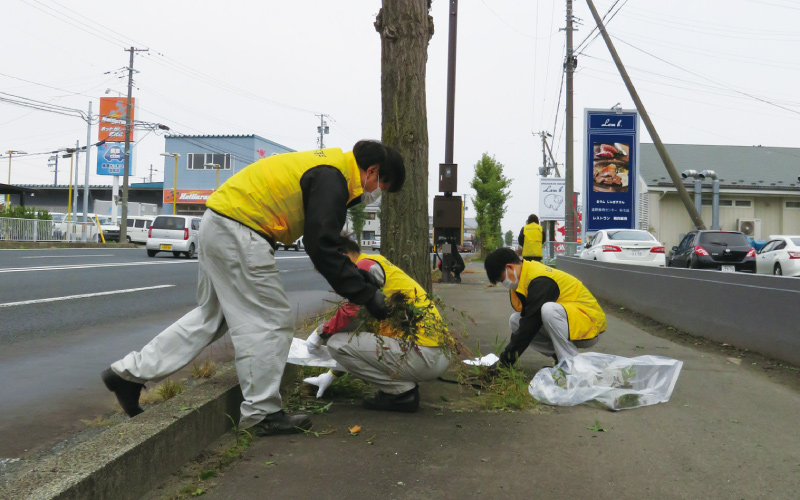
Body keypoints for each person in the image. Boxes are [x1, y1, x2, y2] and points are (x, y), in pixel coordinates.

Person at [101, 140, 405, 436]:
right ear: (373, 171)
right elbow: (321, 245)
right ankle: (262, 413)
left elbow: (326, 240)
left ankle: (128, 375)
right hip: (241, 230)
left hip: (220, 221)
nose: (376, 194)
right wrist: (365, 295)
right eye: (382, 187)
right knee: (270, 321)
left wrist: (360, 280)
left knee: (212, 316)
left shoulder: (331, 168)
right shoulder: (334, 179)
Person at [303, 236, 450, 413]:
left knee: (335, 343)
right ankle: (403, 393)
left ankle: (401, 394)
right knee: (345, 341)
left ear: (341, 257)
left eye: (331, 271)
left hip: (424, 355)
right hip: (436, 352)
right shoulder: (377, 265)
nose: (334, 280)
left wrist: (320, 333)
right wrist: (331, 374)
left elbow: (350, 312)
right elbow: (360, 345)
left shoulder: (363, 267)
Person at [483, 247, 605, 366]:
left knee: (548, 310)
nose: (504, 283)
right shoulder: (526, 278)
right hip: (571, 323)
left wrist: (505, 362)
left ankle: (569, 364)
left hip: (589, 326)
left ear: (509, 267)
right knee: (516, 321)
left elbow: (530, 324)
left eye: (501, 279)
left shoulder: (539, 280)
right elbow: (527, 323)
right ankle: (561, 358)